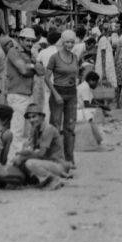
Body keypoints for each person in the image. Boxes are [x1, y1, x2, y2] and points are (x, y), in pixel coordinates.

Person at [2, 34, 39, 161]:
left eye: (32, 41)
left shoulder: (30, 54)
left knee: (26, 132)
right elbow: (23, 70)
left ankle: (19, 160)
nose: (30, 43)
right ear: (20, 40)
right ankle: (12, 161)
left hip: (27, 95)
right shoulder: (13, 51)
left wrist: (31, 68)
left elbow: (41, 71)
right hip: (17, 95)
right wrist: (33, 67)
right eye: (27, 40)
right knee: (16, 131)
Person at [14, 104, 68, 188]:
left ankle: (54, 179)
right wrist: (21, 153)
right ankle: (31, 181)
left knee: (29, 163)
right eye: (29, 117)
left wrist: (24, 156)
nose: (31, 120)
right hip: (45, 162)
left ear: (42, 117)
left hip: (56, 164)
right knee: (17, 159)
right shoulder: (34, 129)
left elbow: (41, 153)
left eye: (34, 116)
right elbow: (31, 149)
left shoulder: (48, 129)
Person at [49, 31, 81, 162]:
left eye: (72, 42)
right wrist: (55, 94)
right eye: (67, 42)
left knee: (70, 127)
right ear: (62, 42)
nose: (70, 45)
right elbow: (46, 78)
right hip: (58, 92)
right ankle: (55, 157)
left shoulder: (75, 57)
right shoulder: (54, 57)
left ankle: (69, 158)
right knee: (55, 126)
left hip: (71, 94)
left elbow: (76, 74)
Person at [77, 71, 105, 148]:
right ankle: (98, 140)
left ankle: (98, 140)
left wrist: (102, 106)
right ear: (91, 81)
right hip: (79, 110)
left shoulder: (86, 86)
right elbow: (87, 104)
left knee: (95, 116)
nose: (97, 85)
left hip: (81, 109)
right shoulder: (85, 88)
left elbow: (93, 100)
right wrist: (99, 107)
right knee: (93, 118)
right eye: (96, 82)